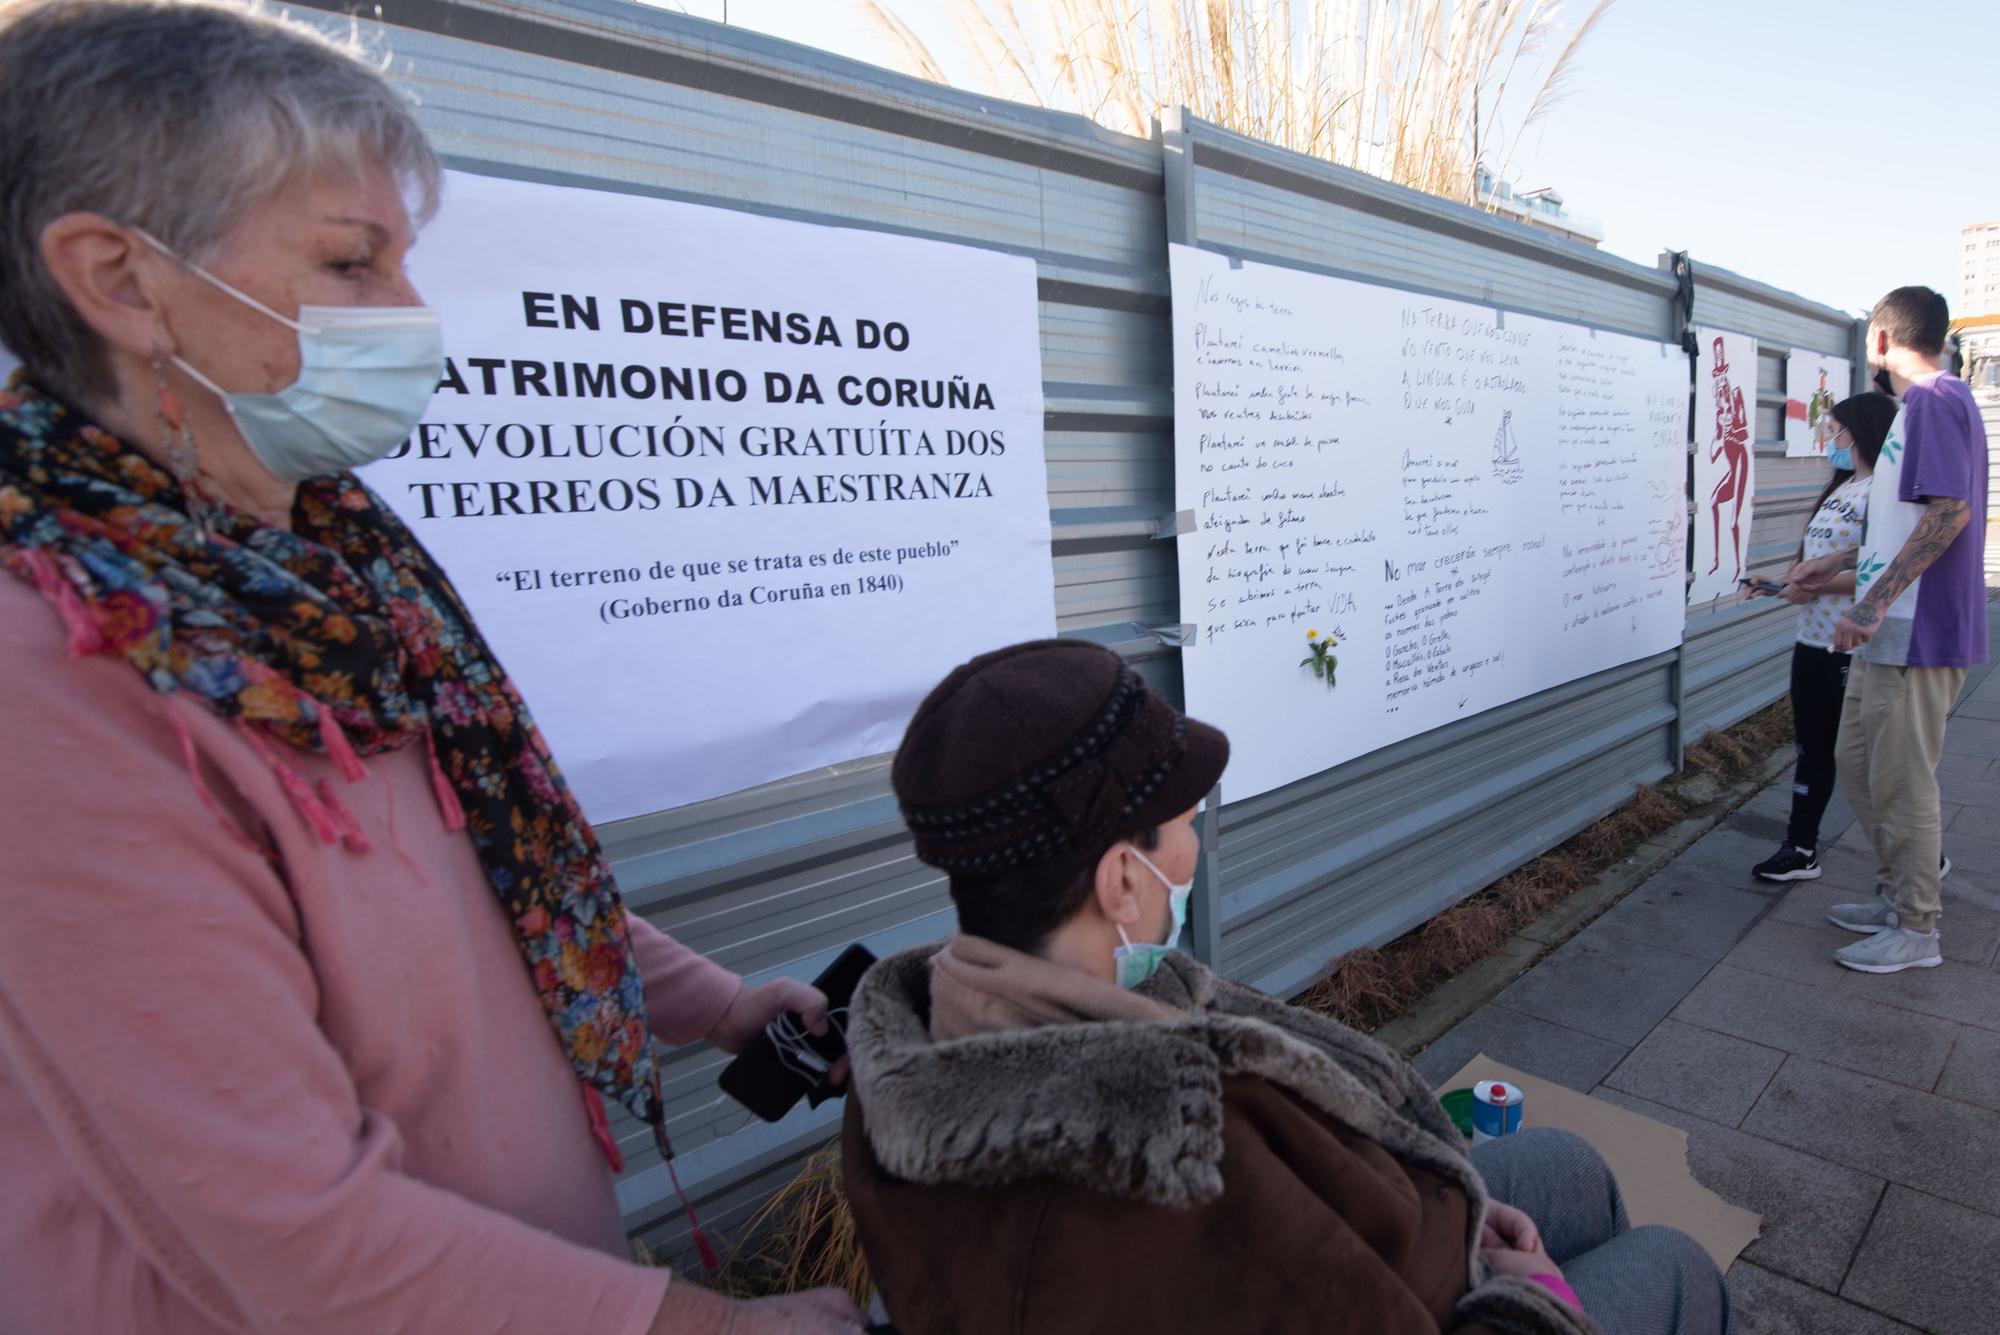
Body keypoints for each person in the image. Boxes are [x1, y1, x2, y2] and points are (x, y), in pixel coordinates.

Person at [0, 4, 863, 1332]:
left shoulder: (332, 565)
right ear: (120, 279)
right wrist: (708, 1325)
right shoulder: (57, 670)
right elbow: (285, 1227)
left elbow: (493, 871)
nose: (414, 317)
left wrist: (724, 1003)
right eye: (353, 264)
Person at [842, 639, 1730, 1335]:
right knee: (1674, 1264)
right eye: (1187, 826)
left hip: (1383, 1235)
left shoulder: (920, 1037)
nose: (1196, 848)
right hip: (1430, 1295)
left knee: (1567, 1167)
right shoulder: (1173, 1155)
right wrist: (1530, 1298)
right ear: (1121, 880)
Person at [1789, 286, 1990, 974]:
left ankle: (1917, 927)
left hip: (1916, 630)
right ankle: (1896, 891)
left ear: (1879, 339)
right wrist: (1839, 561)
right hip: (1887, 630)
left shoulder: (1936, 402)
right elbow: (1899, 523)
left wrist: (1871, 605)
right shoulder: (1918, 410)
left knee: (1904, 781)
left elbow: (1948, 513)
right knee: (1859, 764)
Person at [1748, 393, 1897, 881]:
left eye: (1834, 429)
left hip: (1853, 643)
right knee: (1813, 748)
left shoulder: (1884, 492)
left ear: (1859, 430)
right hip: (1811, 640)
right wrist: (1781, 585)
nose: (1829, 438)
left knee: (1867, 758)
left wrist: (1810, 585)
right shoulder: (1841, 486)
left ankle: (1915, 854)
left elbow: (1881, 571)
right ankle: (1801, 848)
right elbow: (1816, 559)